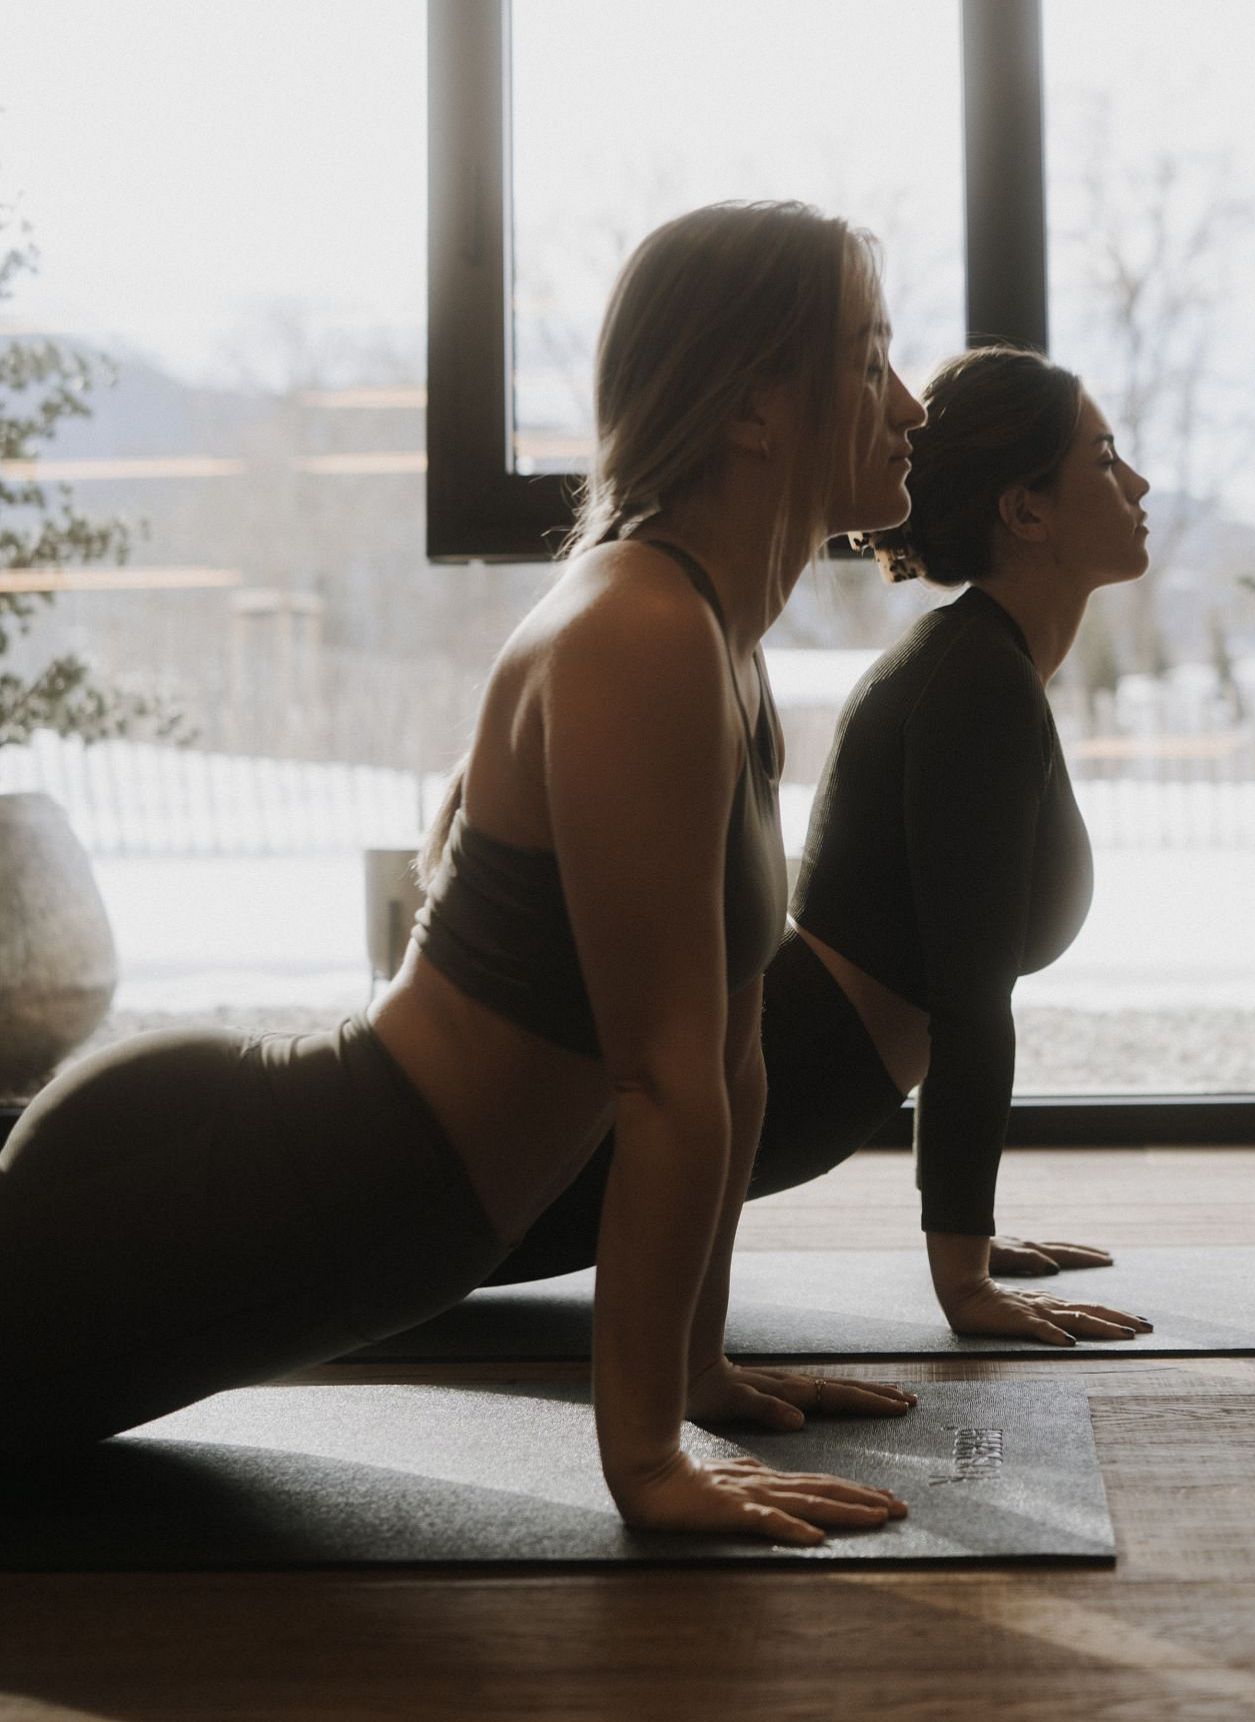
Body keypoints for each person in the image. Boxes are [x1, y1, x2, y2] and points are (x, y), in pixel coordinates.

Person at [0, 201, 928, 1548]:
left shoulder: (718, 640)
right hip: (230, 1186)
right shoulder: (638, 629)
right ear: (749, 405)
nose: (905, 405)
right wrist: (648, 1460)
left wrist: (696, 1370)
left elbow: (731, 1061)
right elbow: (659, 1084)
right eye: (865, 359)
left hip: (359, 1215)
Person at [480, 345, 1155, 1379]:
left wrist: (970, 1234)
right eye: (1106, 461)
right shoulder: (974, 684)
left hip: (798, 1090)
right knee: (411, 1261)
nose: (1139, 484)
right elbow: (971, 999)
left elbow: (948, 982)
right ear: (1027, 511)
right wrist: (964, 1275)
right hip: (768, 1094)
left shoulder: (980, 665)